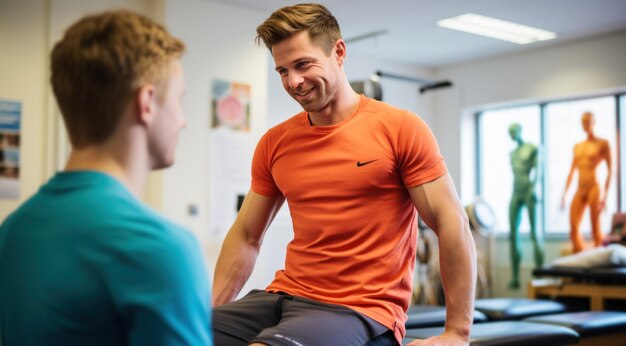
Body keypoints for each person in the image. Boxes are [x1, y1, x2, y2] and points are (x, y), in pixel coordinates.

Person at [211, 3, 476, 346]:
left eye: (303, 64)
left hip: (358, 309)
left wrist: (457, 332)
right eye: (282, 71)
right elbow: (247, 235)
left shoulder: (400, 128)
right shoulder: (275, 142)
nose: (294, 81)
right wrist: (207, 315)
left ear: (338, 52)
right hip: (281, 297)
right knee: (168, 332)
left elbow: (450, 220)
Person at [0, 10, 212, 346]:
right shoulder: (161, 251)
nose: (183, 121)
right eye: (179, 100)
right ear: (147, 103)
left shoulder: (12, 231)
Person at [561, 111, 612, 253]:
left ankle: (598, 265)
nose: (585, 125)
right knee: (573, 227)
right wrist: (564, 194)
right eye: (583, 122)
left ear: (594, 122)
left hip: (594, 187)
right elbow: (571, 171)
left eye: (588, 121)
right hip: (580, 188)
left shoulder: (603, 143)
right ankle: (580, 260)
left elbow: (609, 171)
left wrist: (605, 197)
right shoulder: (578, 146)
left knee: (595, 227)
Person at [507, 123, 544, 289]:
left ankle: (540, 274)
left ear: (520, 130)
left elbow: (538, 171)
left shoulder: (532, 149)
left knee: (534, 233)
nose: (512, 135)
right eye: (510, 133)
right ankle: (515, 278)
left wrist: (535, 188)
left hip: (529, 190)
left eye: (514, 131)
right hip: (516, 191)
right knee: (513, 235)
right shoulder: (512, 153)